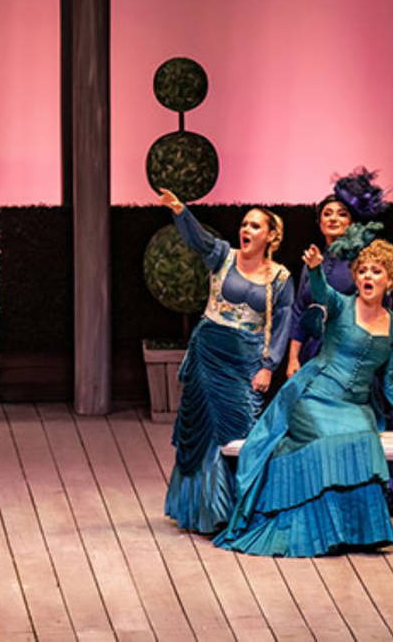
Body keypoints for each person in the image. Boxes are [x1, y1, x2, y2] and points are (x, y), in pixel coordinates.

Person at [214, 238, 393, 558]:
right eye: (363, 271)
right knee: (329, 436)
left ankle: (357, 532)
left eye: (376, 271)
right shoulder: (342, 304)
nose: (368, 276)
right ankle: (323, 531)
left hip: (355, 406)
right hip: (314, 396)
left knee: (362, 437)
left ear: (390, 279)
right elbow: (322, 293)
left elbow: (391, 381)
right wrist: (315, 270)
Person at [158, 187, 294, 534]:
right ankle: (205, 511)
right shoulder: (223, 256)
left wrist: (268, 366)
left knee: (241, 429)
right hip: (209, 353)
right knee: (204, 432)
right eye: (244, 224)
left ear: (270, 236)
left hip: (245, 362)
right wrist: (180, 211)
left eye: (255, 226)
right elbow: (199, 240)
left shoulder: (280, 278)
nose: (246, 230)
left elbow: (283, 324)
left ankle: (240, 507)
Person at [284, 168, 393, 514]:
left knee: (361, 419)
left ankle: (372, 494)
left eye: (341, 214)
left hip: (353, 351)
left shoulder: (361, 259)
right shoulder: (313, 260)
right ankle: (317, 491)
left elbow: (380, 304)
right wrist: (293, 357)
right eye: (327, 213)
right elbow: (299, 310)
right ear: (319, 221)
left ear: (352, 220)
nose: (333, 219)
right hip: (315, 351)